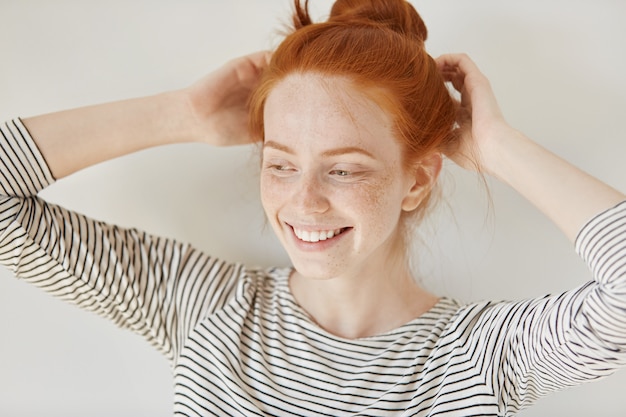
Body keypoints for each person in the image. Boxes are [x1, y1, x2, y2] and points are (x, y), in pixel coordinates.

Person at [1, 0, 625, 415]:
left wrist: (497, 146)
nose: (303, 201)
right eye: (280, 164)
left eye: (344, 168)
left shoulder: (479, 356)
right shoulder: (206, 309)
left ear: (416, 182)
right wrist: (181, 115)